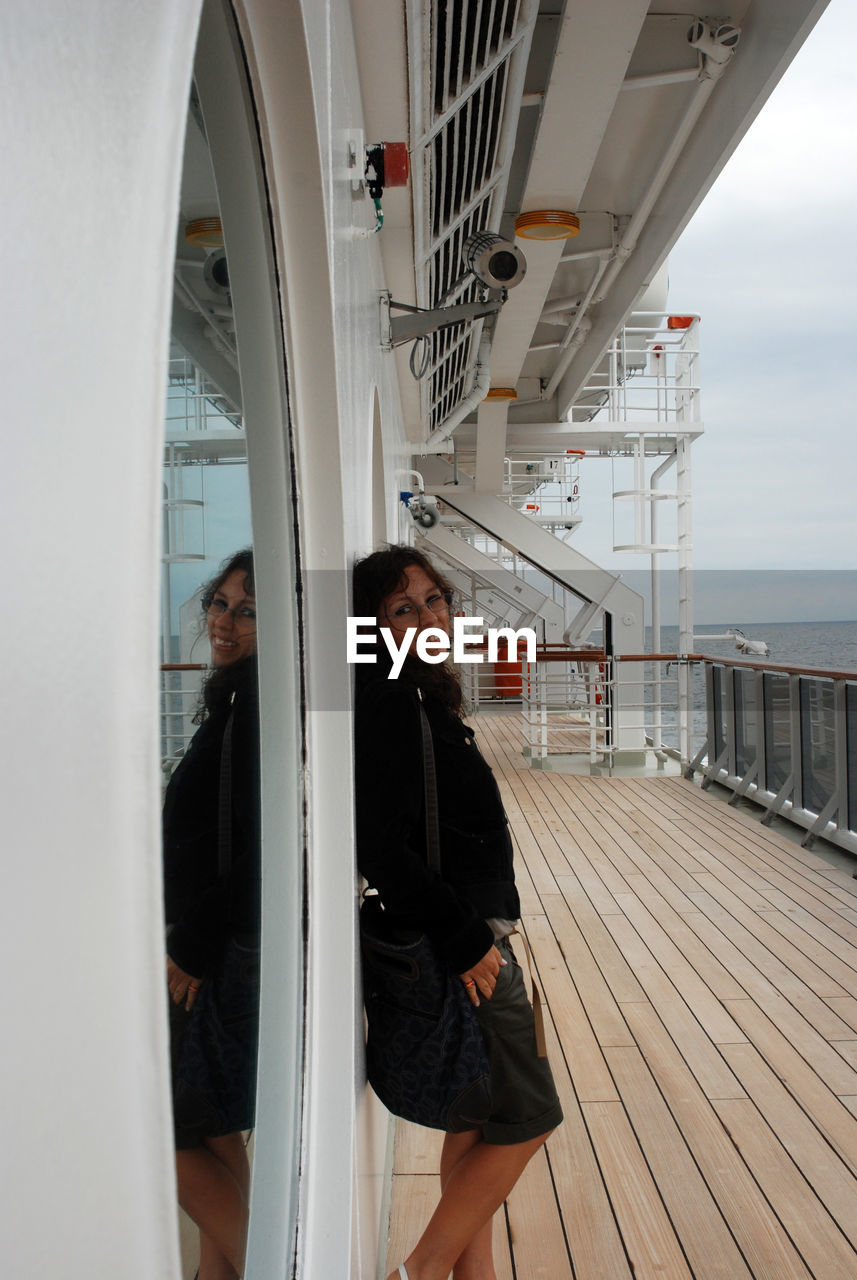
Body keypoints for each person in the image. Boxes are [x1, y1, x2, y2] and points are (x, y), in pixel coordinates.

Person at [353, 545, 563, 1280]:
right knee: (527, 1117)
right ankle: (419, 1270)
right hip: (464, 943)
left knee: (476, 1118)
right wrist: (465, 938)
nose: (426, 615)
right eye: (401, 608)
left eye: (433, 599)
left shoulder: (415, 693)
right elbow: (374, 841)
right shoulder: (387, 699)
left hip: (471, 931)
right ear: (369, 624)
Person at [163, 549, 261, 1280]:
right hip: (218, 946)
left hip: (211, 954)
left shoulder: (254, 708)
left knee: (164, 1129)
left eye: (247, 609)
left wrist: (189, 948)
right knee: (217, 1130)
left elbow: (260, 849)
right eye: (220, 604)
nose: (224, 622)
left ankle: (268, 1265)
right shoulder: (239, 698)